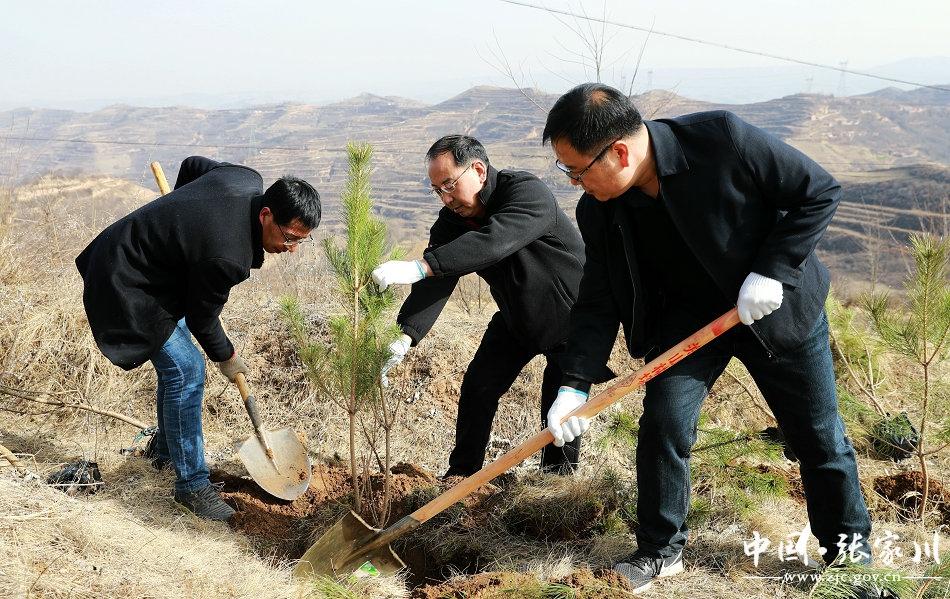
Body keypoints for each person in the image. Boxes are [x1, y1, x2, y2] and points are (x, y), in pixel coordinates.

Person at [541, 83, 873, 593]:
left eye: (577, 170)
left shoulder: (722, 141)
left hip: (775, 306)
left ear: (620, 152)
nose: (574, 183)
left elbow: (818, 190)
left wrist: (772, 271)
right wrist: (575, 382)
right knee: (663, 425)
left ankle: (850, 560)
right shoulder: (601, 208)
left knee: (818, 437)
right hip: (690, 323)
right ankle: (660, 551)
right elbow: (598, 298)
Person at [76, 156, 321, 521]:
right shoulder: (228, 255)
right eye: (288, 238)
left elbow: (192, 166)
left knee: (181, 365)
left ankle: (165, 450)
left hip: (142, 266)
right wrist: (228, 356)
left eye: (302, 240)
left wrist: (181, 226)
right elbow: (203, 319)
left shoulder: (244, 177)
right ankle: (191, 486)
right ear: (266, 214)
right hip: (125, 281)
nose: (292, 249)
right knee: (188, 369)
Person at [371, 135, 586, 477]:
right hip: (517, 318)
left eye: (449, 184)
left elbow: (494, 241)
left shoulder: (527, 194)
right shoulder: (451, 222)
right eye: (436, 189)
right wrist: (405, 336)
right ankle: (462, 475)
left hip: (571, 318)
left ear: (479, 170)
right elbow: (439, 279)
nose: (445, 197)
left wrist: (419, 267)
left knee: (557, 410)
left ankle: (555, 490)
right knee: (478, 387)